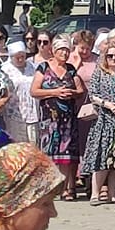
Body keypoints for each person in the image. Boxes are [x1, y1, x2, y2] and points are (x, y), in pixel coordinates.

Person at [81, 41, 115, 206]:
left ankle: (111, 193)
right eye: (110, 56)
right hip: (103, 119)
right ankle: (95, 193)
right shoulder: (99, 72)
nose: (114, 59)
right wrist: (107, 104)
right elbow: (92, 94)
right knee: (101, 156)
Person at [30, 41, 82, 182]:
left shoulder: (71, 69)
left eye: (66, 50)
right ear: (54, 51)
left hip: (68, 118)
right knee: (49, 151)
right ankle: (50, 184)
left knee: (67, 152)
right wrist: (55, 92)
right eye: (61, 50)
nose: (64, 53)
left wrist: (72, 93)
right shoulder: (44, 67)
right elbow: (34, 91)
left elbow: (81, 90)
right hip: (49, 119)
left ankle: (66, 186)